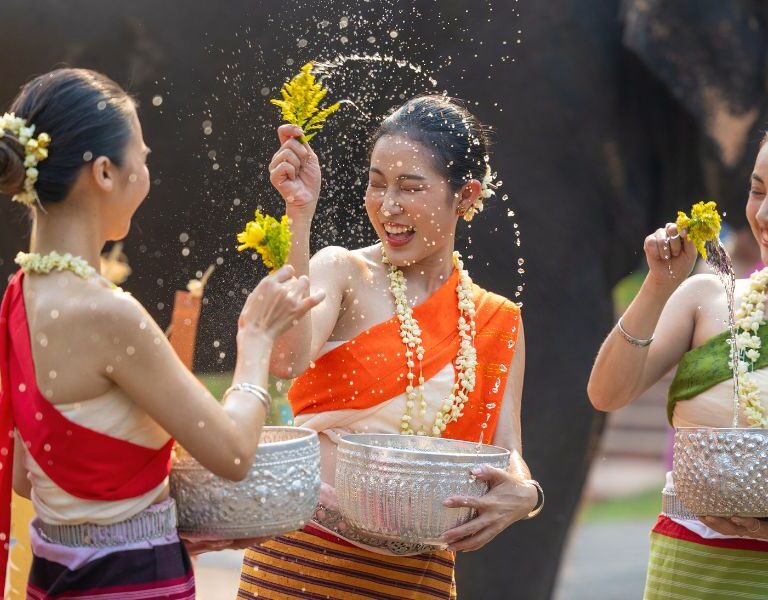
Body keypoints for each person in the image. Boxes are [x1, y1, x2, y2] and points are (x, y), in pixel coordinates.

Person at [0, 68, 323, 598]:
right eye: (143, 158)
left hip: (54, 575)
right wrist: (257, 339)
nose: (147, 171)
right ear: (105, 172)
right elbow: (233, 454)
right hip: (131, 581)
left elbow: (24, 476)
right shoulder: (107, 313)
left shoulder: (21, 295)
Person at [237, 95, 544, 599]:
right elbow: (285, 359)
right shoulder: (343, 271)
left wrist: (526, 493)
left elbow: (507, 449)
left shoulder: (495, 320)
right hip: (301, 559)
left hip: (416, 575)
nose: (388, 206)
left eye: (410, 187)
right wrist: (298, 214)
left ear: (464, 197)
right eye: (377, 184)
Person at [588, 137, 768, 598]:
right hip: (691, 565)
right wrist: (658, 285)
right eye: (758, 191)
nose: (762, 216)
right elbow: (607, 394)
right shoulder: (707, 298)